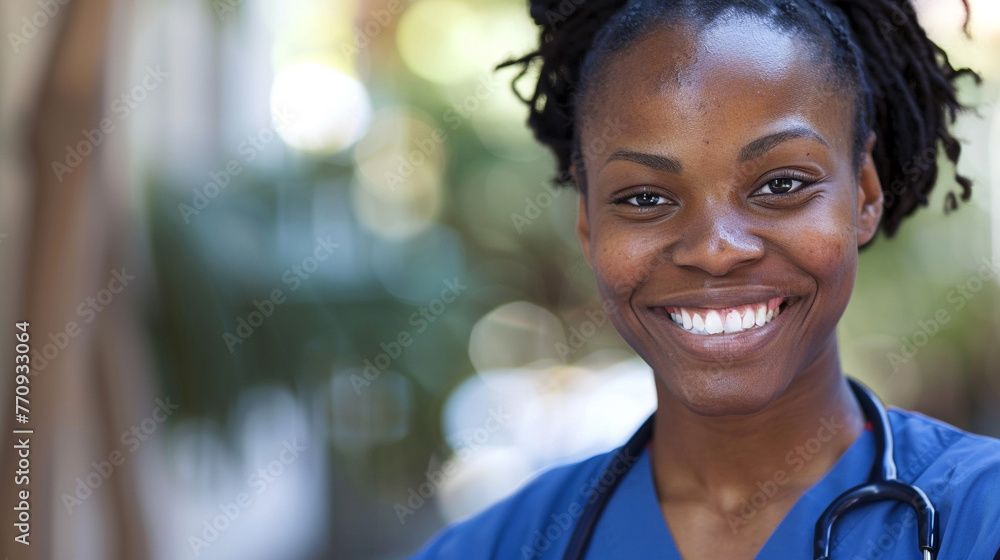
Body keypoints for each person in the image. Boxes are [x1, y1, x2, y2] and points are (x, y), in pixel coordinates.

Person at [407, 0, 1000, 558]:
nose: (716, 251)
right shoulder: (491, 547)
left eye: (782, 184)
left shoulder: (980, 514)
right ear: (588, 224)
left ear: (864, 194)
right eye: (645, 197)